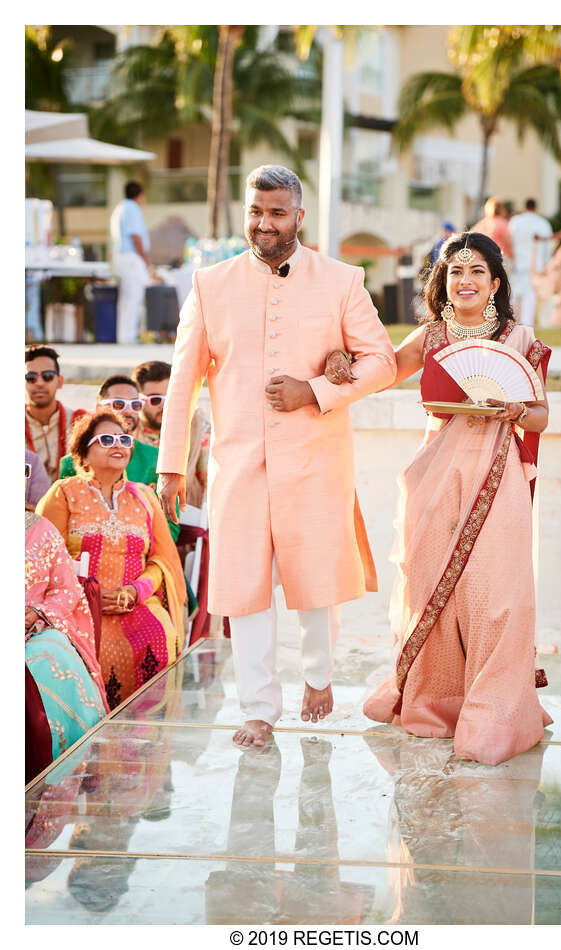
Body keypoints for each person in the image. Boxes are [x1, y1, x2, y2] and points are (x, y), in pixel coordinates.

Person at [156, 163, 396, 749]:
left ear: (299, 216)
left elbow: (383, 362)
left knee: (317, 579)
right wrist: (170, 466)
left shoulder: (341, 280)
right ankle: (258, 709)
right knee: (246, 587)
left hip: (316, 458)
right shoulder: (210, 284)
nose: (264, 224)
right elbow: (183, 382)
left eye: (277, 213)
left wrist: (314, 391)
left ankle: (317, 679)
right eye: (255, 212)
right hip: (238, 465)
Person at [326, 231, 552, 766]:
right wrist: (338, 358)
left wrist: (518, 411)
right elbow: (377, 373)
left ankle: (494, 713)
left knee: (497, 595)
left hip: (498, 477)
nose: (465, 280)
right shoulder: (430, 337)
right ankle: (433, 703)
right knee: (431, 588)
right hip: (434, 477)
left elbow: (542, 414)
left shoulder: (520, 339)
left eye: (477, 271)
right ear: (442, 282)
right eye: (455, 271)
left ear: (496, 283)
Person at [36, 409, 187, 711]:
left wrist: (135, 592)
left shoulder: (144, 497)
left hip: (137, 605)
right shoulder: (64, 493)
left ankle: (143, 745)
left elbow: (162, 560)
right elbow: (46, 556)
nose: (118, 445)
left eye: (124, 439)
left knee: (159, 636)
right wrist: (87, 594)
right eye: (106, 439)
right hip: (77, 607)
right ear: (83, 452)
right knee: (84, 650)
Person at [26, 470, 109, 777]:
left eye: (22, 471)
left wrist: (37, 613)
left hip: (34, 630)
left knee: (53, 656)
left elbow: (66, 588)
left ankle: (63, 773)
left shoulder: (41, 529)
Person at [58, 375, 159, 488]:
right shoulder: (71, 463)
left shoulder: (155, 457)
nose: (128, 411)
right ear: (98, 408)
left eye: (135, 405)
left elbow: (167, 505)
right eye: (118, 404)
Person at [133, 360, 210, 508]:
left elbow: (211, 479)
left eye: (171, 398)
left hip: (187, 514)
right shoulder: (125, 431)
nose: (166, 406)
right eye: (155, 400)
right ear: (138, 401)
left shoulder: (198, 427)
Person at [25, 345, 84, 484]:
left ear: (60, 381)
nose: (39, 383)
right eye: (31, 377)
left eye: (47, 376)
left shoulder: (80, 423)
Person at [109, 181, 155, 344]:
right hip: (132, 257)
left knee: (126, 297)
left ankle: (125, 335)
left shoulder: (120, 208)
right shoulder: (132, 209)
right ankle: (129, 336)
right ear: (140, 195)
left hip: (122, 256)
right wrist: (146, 259)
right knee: (133, 296)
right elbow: (135, 236)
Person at [509, 198, 553, 326]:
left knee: (515, 293)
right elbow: (547, 245)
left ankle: (513, 321)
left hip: (518, 262)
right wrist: (546, 263)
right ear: (535, 208)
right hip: (536, 263)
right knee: (530, 293)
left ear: (524, 207)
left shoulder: (515, 222)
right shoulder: (543, 223)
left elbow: (509, 241)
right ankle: (527, 322)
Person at [472, 197, 514, 269]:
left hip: (485, 258)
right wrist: (512, 256)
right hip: (502, 258)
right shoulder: (502, 223)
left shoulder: (481, 223)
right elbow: (508, 242)